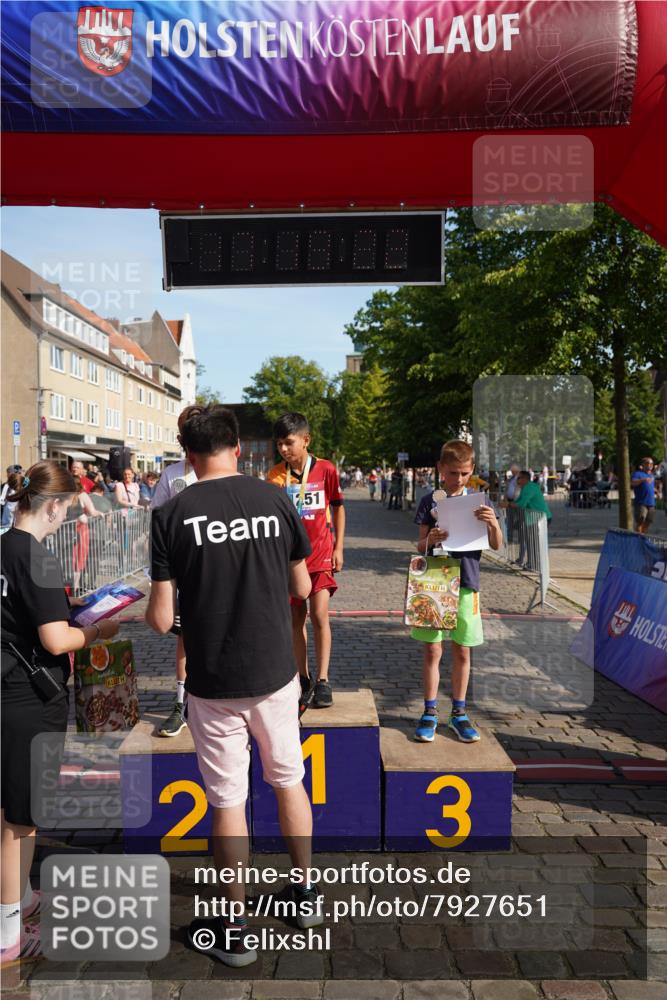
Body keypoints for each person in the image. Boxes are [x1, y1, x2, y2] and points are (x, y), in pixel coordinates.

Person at [146, 405, 322, 968]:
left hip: (213, 676)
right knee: (289, 780)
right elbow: (300, 583)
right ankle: (307, 894)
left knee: (227, 800)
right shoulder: (275, 500)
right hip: (275, 671)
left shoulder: (172, 514)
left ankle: (236, 925)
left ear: (188, 455)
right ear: (239, 448)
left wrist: (193, 616)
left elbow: (159, 619)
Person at [1, 461, 119, 965]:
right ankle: (8, 933)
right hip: (29, 700)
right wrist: (97, 631)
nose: (66, 517)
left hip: (6, 692)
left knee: (13, 812)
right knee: (18, 823)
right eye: (67, 508)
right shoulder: (39, 557)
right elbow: (56, 638)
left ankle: (23, 899)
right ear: (53, 505)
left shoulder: (3, 545)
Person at [412, 440, 502, 744]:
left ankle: (459, 712)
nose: (459, 479)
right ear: (441, 469)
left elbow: (497, 545)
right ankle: (429, 711)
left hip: (467, 583)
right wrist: (432, 538)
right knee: (432, 650)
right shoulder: (429, 501)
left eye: (464, 473)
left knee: (463, 649)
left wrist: (492, 525)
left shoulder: (480, 502)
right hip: (435, 581)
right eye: (453, 473)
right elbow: (420, 546)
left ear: (472, 470)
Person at [267, 413, 345, 712]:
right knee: (295, 620)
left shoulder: (326, 470)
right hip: (289, 560)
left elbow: (338, 508)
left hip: (321, 554)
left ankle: (323, 680)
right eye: (279, 444)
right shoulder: (275, 476)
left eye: (289, 442)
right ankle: (303, 677)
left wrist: (339, 547)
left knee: (320, 615)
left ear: (306, 440)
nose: (284, 449)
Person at [150, 404, 204, 738]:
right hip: (186, 574)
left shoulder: (220, 469)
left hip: (220, 571)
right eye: (187, 432)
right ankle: (181, 704)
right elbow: (157, 520)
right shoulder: (173, 474)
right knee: (185, 638)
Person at [500, 470, 552, 569]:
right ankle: (531, 563)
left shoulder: (529, 488)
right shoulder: (526, 487)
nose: (517, 480)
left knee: (534, 543)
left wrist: (508, 504)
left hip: (540, 519)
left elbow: (521, 504)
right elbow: (519, 501)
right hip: (533, 519)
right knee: (531, 542)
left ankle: (535, 565)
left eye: (519, 478)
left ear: (525, 479)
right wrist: (509, 503)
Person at [631, 457, 656, 534]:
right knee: (640, 521)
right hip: (641, 503)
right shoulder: (637, 473)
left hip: (651, 503)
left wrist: (656, 491)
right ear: (643, 464)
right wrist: (643, 480)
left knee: (648, 521)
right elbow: (633, 483)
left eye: (651, 463)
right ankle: (638, 539)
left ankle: (643, 537)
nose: (650, 465)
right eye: (648, 463)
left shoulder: (652, 475)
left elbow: (649, 487)